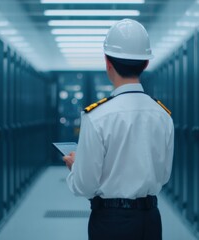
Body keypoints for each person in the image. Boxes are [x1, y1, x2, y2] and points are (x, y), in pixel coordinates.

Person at [62, 18, 174, 240]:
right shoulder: (162, 115)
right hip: (151, 219)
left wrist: (77, 169)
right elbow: (163, 175)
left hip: (111, 222)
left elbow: (85, 186)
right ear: (146, 63)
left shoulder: (96, 116)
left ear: (107, 62)